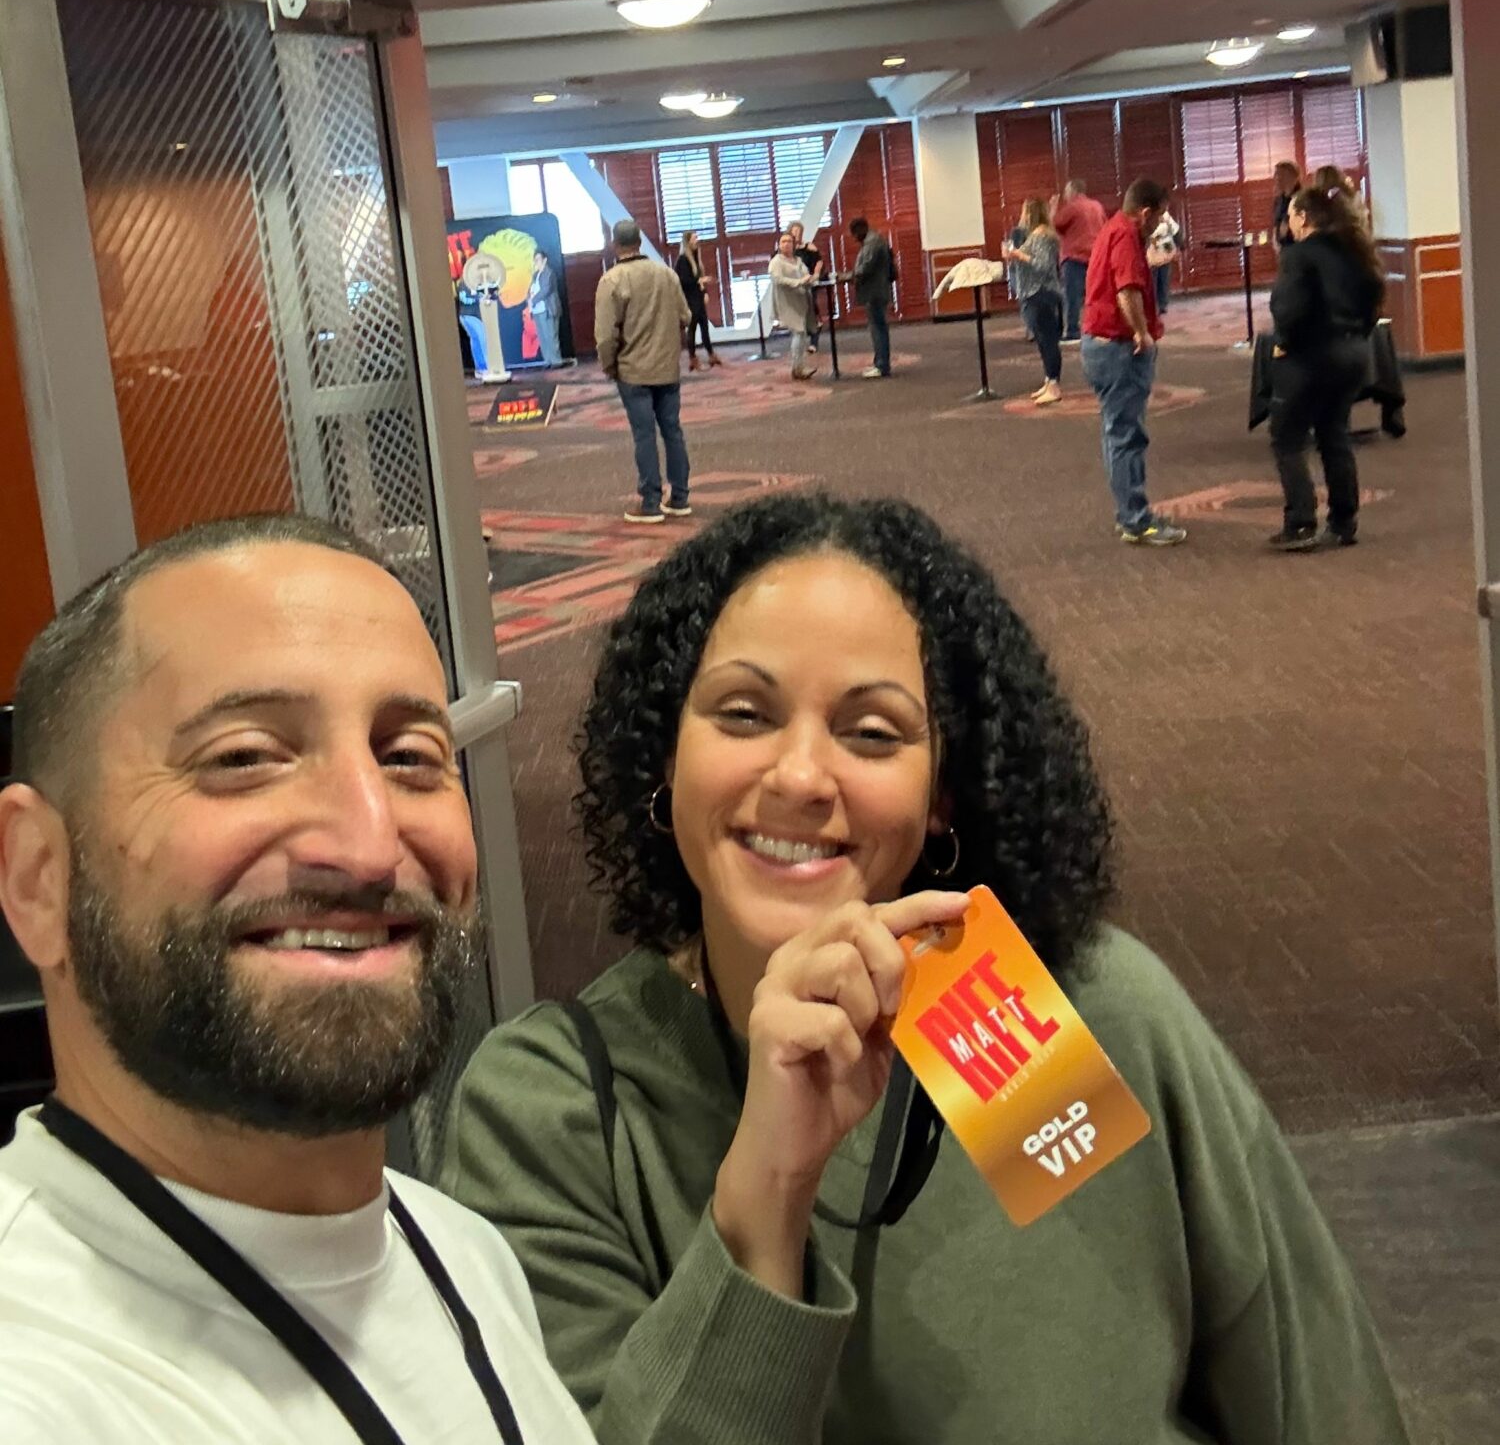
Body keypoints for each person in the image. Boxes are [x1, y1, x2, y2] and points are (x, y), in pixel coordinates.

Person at [443, 493, 1410, 1445]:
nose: (800, 777)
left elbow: (1310, 1385)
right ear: (665, 755)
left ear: (942, 793)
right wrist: (769, 1194)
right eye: (743, 715)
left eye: (872, 733)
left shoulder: (1066, 1014)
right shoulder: (555, 1113)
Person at [0, 514, 593, 1445]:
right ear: (37, 875)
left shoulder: (460, 1251)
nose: (368, 845)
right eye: (244, 758)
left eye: (409, 757)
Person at [1266, 187, 1386, 552]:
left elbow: (1288, 308)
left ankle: (1301, 522)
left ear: (1303, 217)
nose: (1288, 222)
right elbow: (1373, 301)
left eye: (1290, 216)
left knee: (1286, 437)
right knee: (1334, 435)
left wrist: (1284, 341)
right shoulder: (1356, 250)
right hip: (1354, 353)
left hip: (1312, 356)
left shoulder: (1299, 255)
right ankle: (1343, 522)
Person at [1081, 178, 1186, 547]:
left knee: (1117, 433)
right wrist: (1142, 333)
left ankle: (1128, 513)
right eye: (1159, 216)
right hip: (1119, 349)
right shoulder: (1126, 236)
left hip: (1099, 345)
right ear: (1145, 213)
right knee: (1128, 436)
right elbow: (1127, 291)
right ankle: (1137, 520)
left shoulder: (1115, 230)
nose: (1161, 224)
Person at [595, 220, 693, 526]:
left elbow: (605, 336)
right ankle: (679, 498)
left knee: (644, 435)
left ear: (615, 245)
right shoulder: (667, 274)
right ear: (639, 241)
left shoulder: (612, 280)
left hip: (633, 371)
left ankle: (651, 502)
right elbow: (685, 316)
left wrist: (609, 365)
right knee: (673, 431)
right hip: (667, 369)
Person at [1000, 197, 1064, 403]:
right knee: (1043, 340)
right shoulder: (1038, 234)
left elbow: (1043, 265)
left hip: (1042, 293)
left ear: (1031, 214)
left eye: (1025, 212)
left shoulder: (1043, 236)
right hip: (1034, 292)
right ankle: (1049, 380)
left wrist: (1019, 256)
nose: (1022, 216)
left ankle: (1054, 384)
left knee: (1048, 340)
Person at [1050, 178, 1108, 343]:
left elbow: (1055, 224)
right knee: (1097, 295)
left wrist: (1053, 208)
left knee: (1072, 297)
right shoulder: (1097, 206)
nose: (1066, 195)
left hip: (1074, 257)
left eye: (1067, 191)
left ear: (1073, 191)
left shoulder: (1072, 207)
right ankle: (1100, 327)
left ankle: (1073, 331)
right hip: (1095, 257)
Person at [848, 217, 893, 379]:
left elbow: (865, 268)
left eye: (854, 234)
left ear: (859, 230)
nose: (854, 238)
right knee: (879, 327)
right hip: (878, 290)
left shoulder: (872, 243)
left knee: (878, 329)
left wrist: (848, 276)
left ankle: (881, 366)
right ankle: (880, 363)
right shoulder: (875, 240)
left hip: (874, 291)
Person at [768, 231, 817, 381]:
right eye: (783, 241)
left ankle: (799, 367)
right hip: (787, 302)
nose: (786, 244)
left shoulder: (798, 260)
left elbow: (806, 274)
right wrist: (798, 282)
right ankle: (797, 368)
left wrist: (809, 279)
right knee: (799, 332)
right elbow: (778, 280)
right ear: (779, 245)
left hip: (801, 299)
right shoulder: (776, 261)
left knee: (801, 334)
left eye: (789, 241)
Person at [674, 231, 722, 372]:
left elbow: (698, 277)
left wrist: (705, 292)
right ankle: (693, 358)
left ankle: (711, 354)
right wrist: (700, 281)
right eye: (694, 238)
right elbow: (682, 281)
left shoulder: (696, 257)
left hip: (698, 297)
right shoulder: (682, 260)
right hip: (690, 298)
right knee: (692, 329)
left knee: (704, 327)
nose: (697, 240)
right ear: (687, 241)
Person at [788, 221, 825, 350]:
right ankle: (803, 337)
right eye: (794, 231)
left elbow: (819, 260)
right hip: (794, 285)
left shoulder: (808, 246)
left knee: (810, 309)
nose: (797, 234)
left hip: (808, 283)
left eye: (799, 231)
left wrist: (815, 274)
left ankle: (814, 341)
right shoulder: (787, 249)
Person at [527, 247, 564, 368]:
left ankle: (556, 361)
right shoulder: (535, 275)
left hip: (548, 309)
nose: (536, 262)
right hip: (537, 310)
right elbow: (530, 290)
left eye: (538, 259)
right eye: (535, 260)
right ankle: (548, 360)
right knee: (542, 336)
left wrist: (533, 300)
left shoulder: (549, 273)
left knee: (551, 335)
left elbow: (546, 290)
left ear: (545, 260)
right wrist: (529, 299)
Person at [1148, 203, 1182, 317]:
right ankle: (1154, 306)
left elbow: (1176, 232)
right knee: (1152, 281)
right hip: (1152, 252)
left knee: (1164, 279)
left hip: (1166, 250)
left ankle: (1163, 305)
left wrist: (1178, 248)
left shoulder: (1166, 217)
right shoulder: (1147, 217)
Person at [1271, 161, 1302, 249]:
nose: (1275, 178)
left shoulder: (1302, 199)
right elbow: (1276, 224)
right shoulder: (1278, 201)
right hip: (1284, 250)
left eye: (1279, 174)